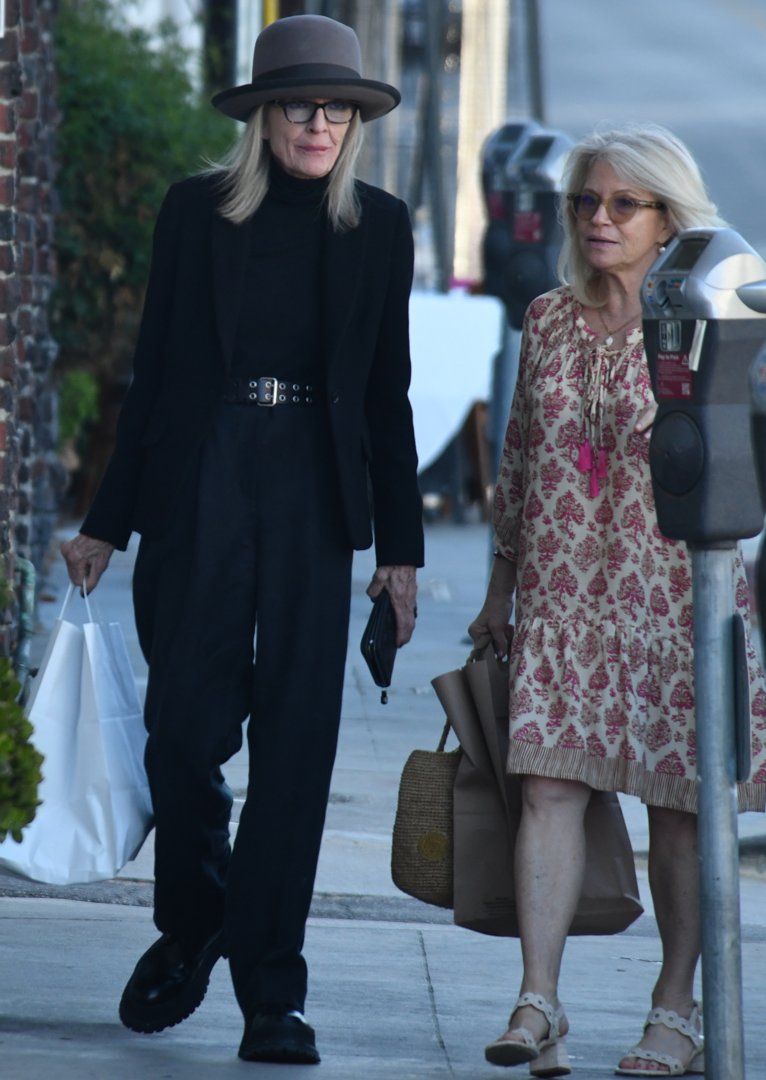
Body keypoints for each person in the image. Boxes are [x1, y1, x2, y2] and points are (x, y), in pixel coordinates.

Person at [60, 14, 423, 1067]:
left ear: (353, 123)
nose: (318, 123)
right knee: (181, 729)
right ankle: (198, 915)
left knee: (298, 745)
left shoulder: (380, 226)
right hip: (203, 477)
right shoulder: (195, 212)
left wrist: (399, 553)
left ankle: (274, 992)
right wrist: (106, 519)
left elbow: (387, 397)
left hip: (313, 490)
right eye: (299, 105)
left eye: (337, 109)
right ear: (262, 117)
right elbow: (154, 371)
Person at [468, 122, 766, 1077]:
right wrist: (499, 592)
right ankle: (538, 1003)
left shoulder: (710, 318)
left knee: (679, 808)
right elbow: (519, 463)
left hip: (678, 597)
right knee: (548, 788)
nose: (599, 218)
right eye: (585, 202)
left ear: (668, 219)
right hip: (564, 594)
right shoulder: (548, 318)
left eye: (623, 204)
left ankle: (676, 1012)